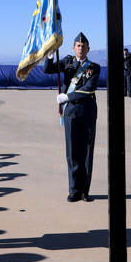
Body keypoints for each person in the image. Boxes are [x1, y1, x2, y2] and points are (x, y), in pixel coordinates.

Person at [44, 32, 100, 202]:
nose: (80, 48)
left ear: (88, 49)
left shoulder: (94, 67)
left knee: (87, 151)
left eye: (83, 46)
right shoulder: (67, 62)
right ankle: (74, 190)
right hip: (71, 113)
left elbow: (89, 88)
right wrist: (50, 54)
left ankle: (85, 191)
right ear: (73, 48)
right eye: (78, 46)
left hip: (87, 111)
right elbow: (48, 70)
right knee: (72, 152)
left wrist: (67, 97)